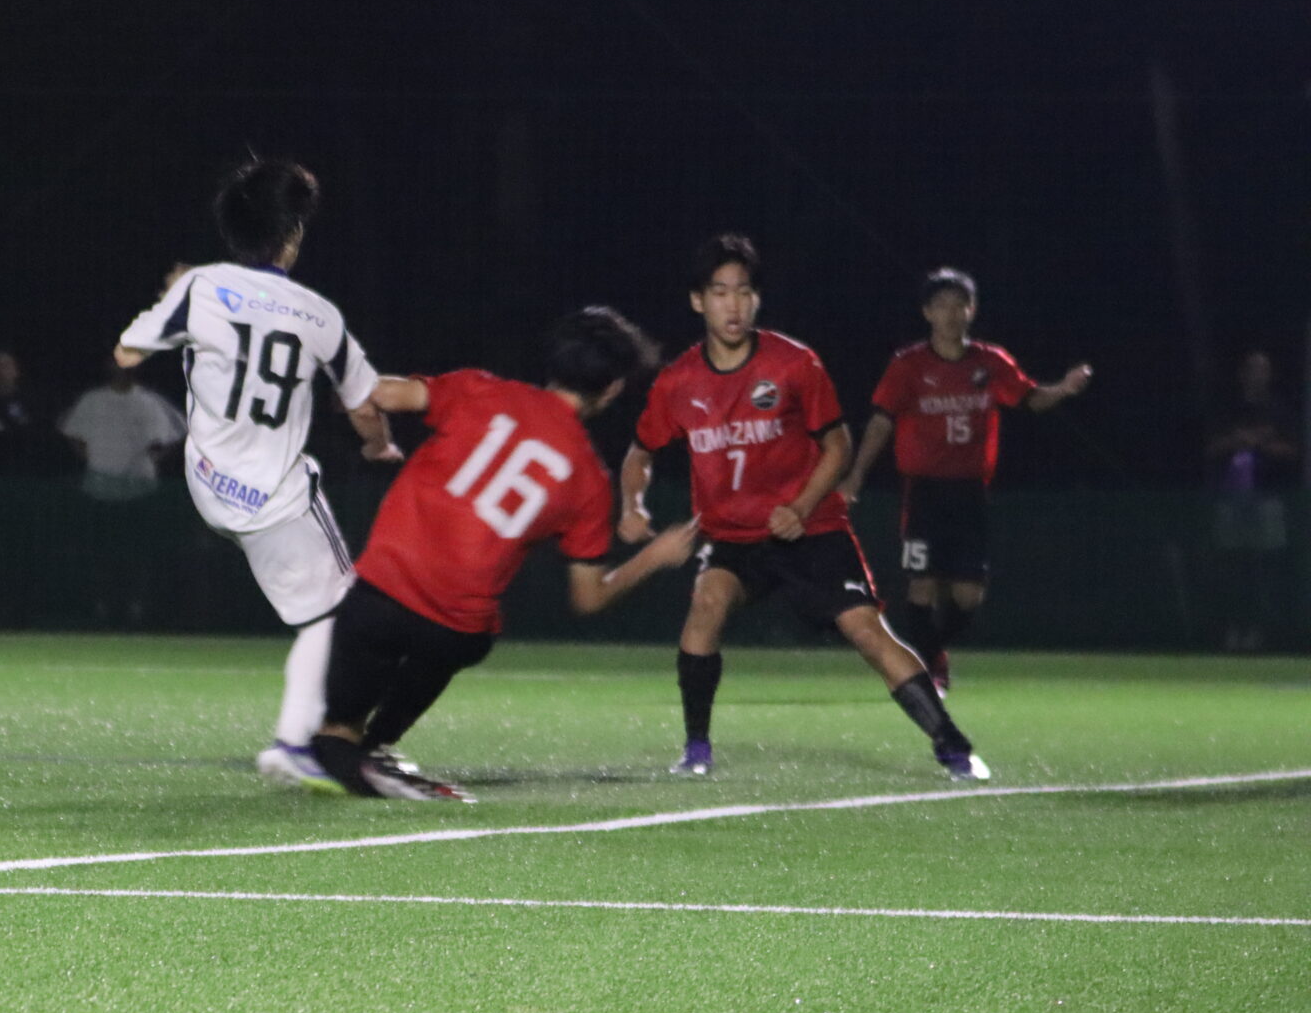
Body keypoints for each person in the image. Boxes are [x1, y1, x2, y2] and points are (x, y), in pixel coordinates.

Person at [620, 234, 986, 781]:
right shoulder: (679, 381)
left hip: (811, 530)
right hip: (733, 539)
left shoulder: (793, 363)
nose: (733, 305)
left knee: (867, 631)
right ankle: (696, 750)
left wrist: (800, 506)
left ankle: (953, 747)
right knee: (707, 603)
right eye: (719, 292)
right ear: (698, 301)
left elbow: (837, 445)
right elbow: (639, 452)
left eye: (743, 292)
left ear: (756, 299)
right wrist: (631, 505)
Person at [308, 307, 701, 800]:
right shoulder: (588, 479)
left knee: (333, 733)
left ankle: (352, 753)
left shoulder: (482, 390)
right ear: (613, 388)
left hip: (380, 596)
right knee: (463, 639)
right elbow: (589, 599)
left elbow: (376, 393)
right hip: (454, 630)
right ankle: (375, 749)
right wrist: (655, 556)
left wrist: (372, 437)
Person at [113, 157, 401, 787]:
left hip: (208, 482)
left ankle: (318, 739)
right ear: (292, 235)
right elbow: (365, 407)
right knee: (343, 617)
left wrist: (175, 296)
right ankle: (299, 743)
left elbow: (127, 352)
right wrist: (380, 448)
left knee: (327, 618)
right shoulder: (318, 315)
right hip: (273, 498)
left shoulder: (201, 286)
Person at [836, 267, 1091, 689]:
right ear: (927, 312)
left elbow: (1029, 399)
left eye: (960, 305)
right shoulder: (909, 365)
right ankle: (928, 671)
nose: (952, 314)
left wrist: (1062, 388)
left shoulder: (990, 362)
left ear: (972, 310)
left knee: (969, 596)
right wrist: (856, 475)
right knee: (922, 585)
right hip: (924, 491)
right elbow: (882, 421)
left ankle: (929, 651)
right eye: (942, 305)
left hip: (970, 491)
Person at [1203, 349, 1299, 650]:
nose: (1258, 374)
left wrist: (1259, 444)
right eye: (1253, 368)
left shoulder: (1279, 410)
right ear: (1242, 373)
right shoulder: (1227, 409)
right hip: (1231, 501)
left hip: (1267, 499)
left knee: (1264, 569)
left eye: (1264, 369)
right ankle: (1232, 630)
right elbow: (1211, 448)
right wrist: (1236, 441)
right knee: (1233, 567)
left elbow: (1292, 451)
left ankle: (1262, 633)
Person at [59, 357, 185, 502]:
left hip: (139, 485)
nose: (121, 370)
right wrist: (91, 457)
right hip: (100, 484)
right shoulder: (91, 400)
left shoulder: (150, 401)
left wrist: (154, 459)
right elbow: (72, 432)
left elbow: (176, 432)